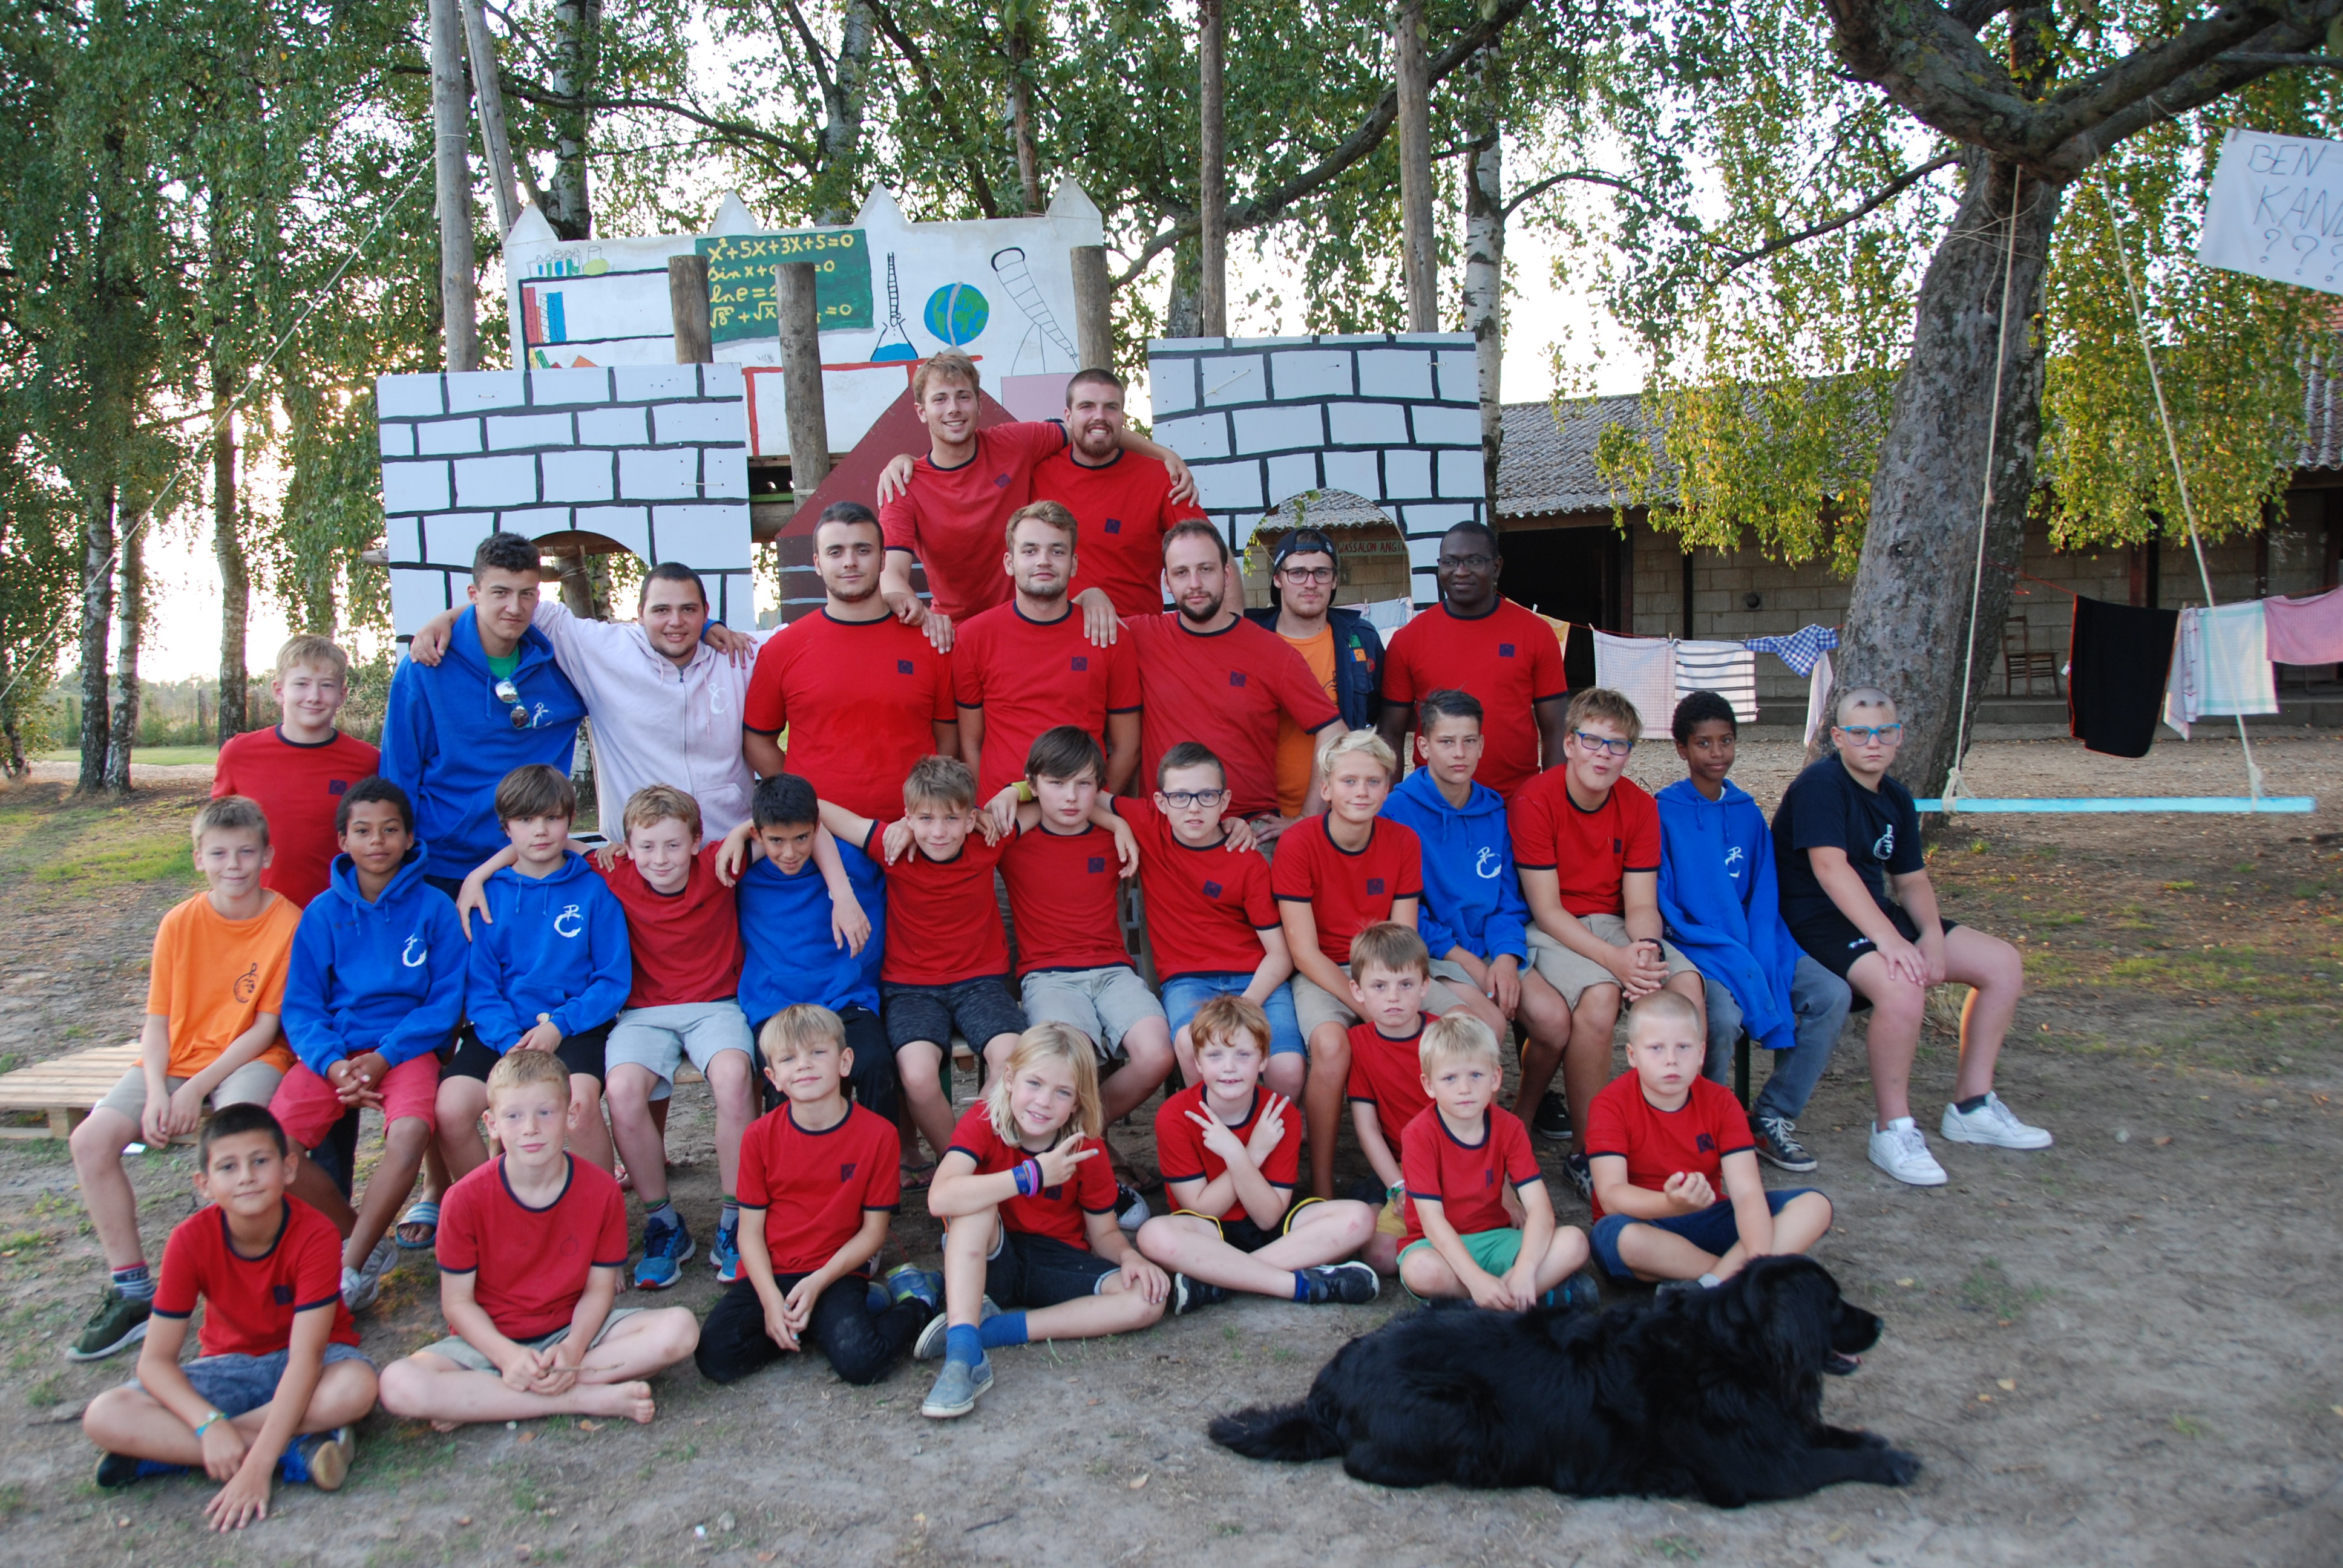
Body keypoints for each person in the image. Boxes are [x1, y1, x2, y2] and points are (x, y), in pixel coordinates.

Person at [1774, 688, 2051, 1186]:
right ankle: (1892, 1129)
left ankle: (1971, 1104)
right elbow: (1830, 870)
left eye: (1884, 731)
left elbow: (1911, 880)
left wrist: (1930, 937)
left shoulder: (1897, 798)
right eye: (1859, 733)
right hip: (1813, 919)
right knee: (1901, 987)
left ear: (1899, 736)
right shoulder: (1820, 785)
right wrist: (1892, 942)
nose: (1873, 742)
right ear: (1838, 737)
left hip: (1873, 913)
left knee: (2002, 963)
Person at [68, 797, 303, 1363]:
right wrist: (156, 1090)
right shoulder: (180, 921)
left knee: (240, 1143)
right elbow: (155, 1023)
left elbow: (265, 1027)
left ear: (267, 856)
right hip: (173, 1057)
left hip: (250, 1056)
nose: (234, 865)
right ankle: (133, 1290)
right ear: (199, 858)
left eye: (247, 852)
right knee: (90, 1141)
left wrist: (197, 1090)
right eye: (219, 854)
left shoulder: (287, 920)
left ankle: (238, 1284)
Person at [82, 1105, 379, 1527]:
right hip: (229, 1365)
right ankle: (294, 1454)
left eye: (261, 1161)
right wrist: (207, 1425)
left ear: (289, 1168)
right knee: (105, 1414)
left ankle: (171, 1453)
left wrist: (229, 1439)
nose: (246, 1177)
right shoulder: (189, 1240)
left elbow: (306, 1359)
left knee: (357, 1387)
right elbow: (155, 1362)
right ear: (204, 1184)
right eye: (228, 1166)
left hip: (316, 1363)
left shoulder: (316, 1233)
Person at [378, 1051, 700, 1429]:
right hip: (490, 1341)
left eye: (545, 1113)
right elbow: (457, 1304)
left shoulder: (601, 1190)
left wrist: (574, 1345)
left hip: (575, 1332)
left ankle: (485, 1398)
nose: (530, 1127)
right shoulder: (463, 1199)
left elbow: (600, 1289)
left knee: (680, 1329)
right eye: (513, 1116)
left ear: (571, 1115)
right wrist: (507, 1357)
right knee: (399, 1383)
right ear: (492, 1124)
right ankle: (582, 1397)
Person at [274, 777, 464, 1313]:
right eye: (363, 831)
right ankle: (364, 1239)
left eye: (390, 830)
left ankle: (349, 1269)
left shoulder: (433, 908)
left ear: (408, 839)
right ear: (343, 841)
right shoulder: (320, 914)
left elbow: (445, 1003)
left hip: (406, 1051)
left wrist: (384, 1058)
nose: (377, 842)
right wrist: (334, 1064)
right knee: (273, 1146)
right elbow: (303, 1007)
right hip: (335, 1056)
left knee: (409, 1133)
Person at [914, 1024, 1169, 1420]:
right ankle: (963, 1358)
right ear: (1011, 1080)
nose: (1044, 1102)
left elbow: (1102, 1232)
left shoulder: (1086, 1145)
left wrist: (1128, 1258)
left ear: (1077, 1102)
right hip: (994, 1257)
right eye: (1034, 1083)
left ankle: (991, 1330)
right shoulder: (985, 1120)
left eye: (1062, 1092)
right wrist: (1029, 1176)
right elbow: (940, 1197)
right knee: (975, 1201)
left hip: (1057, 1260)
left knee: (1147, 1301)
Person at [1511, 688, 1706, 1203]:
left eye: (1616, 745)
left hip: (1617, 922)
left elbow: (1640, 902)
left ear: (1629, 753)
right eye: (1592, 740)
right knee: (1598, 999)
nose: (1603, 754)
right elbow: (1547, 910)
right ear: (1570, 744)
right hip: (1555, 926)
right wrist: (1616, 965)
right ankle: (1590, 1151)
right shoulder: (1536, 799)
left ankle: (1675, 1135)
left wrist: (1642, 951)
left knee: (1685, 986)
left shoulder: (1640, 806)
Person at [408, 560, 763, 840]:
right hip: (637, 854)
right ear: (640, 613)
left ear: (705, 610)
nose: (675, 622)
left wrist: (707, 627)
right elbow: (522, 608)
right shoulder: (603, 650)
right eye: (661, 610)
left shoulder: (736, 653)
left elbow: (803, 633)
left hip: (728, 844)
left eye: (688, 610)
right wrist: (446, 619)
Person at [1657, 691, 1852, 1173]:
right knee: (1719, 1016)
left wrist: (1759, 946)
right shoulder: (1662, 811)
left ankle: (1772, 1116)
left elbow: (1765, 889)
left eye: (1726, 741)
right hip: (1698, 946)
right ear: (1682, 749)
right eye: (1704, 743)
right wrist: (1720, 945)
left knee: (1831, 994)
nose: (1717, 753)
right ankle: (1704, 1122)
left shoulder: (1746, 809)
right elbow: (1663, 900)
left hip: (1759, 938)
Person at [694, 1006, 940, 1388]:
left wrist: (819, 1282)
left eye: (817, 1053)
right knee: (716, 1355)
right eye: (789, 1058)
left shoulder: (877, 1135)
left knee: (861, 1362)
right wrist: (773, 1303)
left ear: (845, 1062)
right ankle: (816, 1324)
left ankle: (917, 1303)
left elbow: (874, 1232)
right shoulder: (759, 1137)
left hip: (837, 1270)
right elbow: (749, 1233)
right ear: (773, 1078)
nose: (804, 1066)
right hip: (772, 1272)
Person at [873, 352, 1193, 641]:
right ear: (921, 411)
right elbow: (892, 572)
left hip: (1028, 625)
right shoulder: (904, 484)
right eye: (940, 399)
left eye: (963, 397)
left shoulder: (1014, 444)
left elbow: (1089, 426)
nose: (954, 409)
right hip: (955, 632)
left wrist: (1164, 454)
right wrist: (907, 602)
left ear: (979, 404)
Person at [1271, 730, 1467, 1198]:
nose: (1361, 792)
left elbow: (1403, 938)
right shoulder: (1299, 844)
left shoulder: (1402, 841)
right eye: (1349, 781)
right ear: (1326, 788)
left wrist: (1390, 991)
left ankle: (1451, 1163)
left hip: (1389, 965)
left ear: (1388, 787)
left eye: (1374, 781)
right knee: (1333, 1046)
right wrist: (1363, 1006)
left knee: (1462, 1028)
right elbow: (1304, 952)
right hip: (1325, 972)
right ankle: (1321, 1183)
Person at [1379, 688, 1574, 1135]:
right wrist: (1466, 959)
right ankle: (1461, 1136)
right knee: (1487, 1028)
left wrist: (1506, 956)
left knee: (1554, 1022)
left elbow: (1510, 898)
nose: (1459, 753)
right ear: (1423, 747)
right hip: (1438, 951)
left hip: (1491, 944)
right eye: (1446, 742)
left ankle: (1519, 1118)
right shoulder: (1397, 810)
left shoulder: (1494, 809)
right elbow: (1405, 910)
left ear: (1483, 745)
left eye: (1469, 741)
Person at [817, 755, 1023, 1175]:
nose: (939, 831)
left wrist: (1011, 792)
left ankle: (974, 1158)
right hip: (911, 988)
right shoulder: (890, 845)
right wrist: (898, 826)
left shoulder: (989, 838)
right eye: (926, 819)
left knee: (1014, 1062)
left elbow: (1054, 790)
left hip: (980, 982)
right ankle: (962, 1168)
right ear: (909, 817)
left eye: (951, 819)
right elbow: (812, 805)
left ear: (971, 819)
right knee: (917, 1076)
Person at [442, 765, 630, 1180]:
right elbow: (482, 986)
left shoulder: (597, 888)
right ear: (506, 829)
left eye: (552, 818)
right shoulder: (489, 894)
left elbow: (612, 980)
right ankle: (489, 1209)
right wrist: (510, 1040)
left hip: (575, 1029)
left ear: (570, 820)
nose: (540, 831)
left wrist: (560, 1026)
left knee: (578, 1107)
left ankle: (600, 1218)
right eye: (526, 820)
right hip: (502, 1034)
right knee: (450, 1110)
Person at [1133, 995, 1379, 1311]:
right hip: (1209, 1233)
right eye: (1215, 1055)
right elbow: (1204, 1209)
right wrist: (1249, 1152)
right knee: (1154, 1235)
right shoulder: (1175, 1114)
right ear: (1197, 1062)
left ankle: (1217, 1281)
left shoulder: (1280, 1114)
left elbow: (1268, 1217)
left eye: (1244, 1055)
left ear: (1264, 1060)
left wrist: (1237, 1154)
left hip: (1275, 1233)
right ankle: (1296, 1285)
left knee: (1359, 1219)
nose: (1229, 1068)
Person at [1585, 991, 1834, 1294]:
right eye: (1656, 1048)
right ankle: (1744, 1282)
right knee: (1615, 1238)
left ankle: (1717, 1284)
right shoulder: (1611, 1104)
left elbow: (1746, 1193)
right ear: (1632, 1055)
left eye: (1684, 1047)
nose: (1671, 1060)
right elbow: (1611, 1196)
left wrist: (1755, 1253)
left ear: (1702, 1052)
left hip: (1709, 1217)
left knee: (1814, 1205)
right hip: (1648, 1222)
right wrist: (1670, 1204)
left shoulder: (1721, 1102)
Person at [379, 532, 586, 890]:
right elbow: (399, 772)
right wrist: (398, 863)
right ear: (473, 595)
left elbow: (640, 648)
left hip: (533, 862)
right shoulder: (425, 669)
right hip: (445, 865)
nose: (515, 607)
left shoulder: (564, 666)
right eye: (500, 593)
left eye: (526, 594)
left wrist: (705, 629)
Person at [1123, 520, 1344, 843]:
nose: (1195, 583)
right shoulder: (1143, 636)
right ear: (1166, 581)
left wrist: (1308, 817)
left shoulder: (1271, 652)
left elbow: (1334, 730)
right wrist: (1092, 596)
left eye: (1206, 569)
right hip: (1167, 832)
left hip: (1249, 835)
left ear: (1227, 574)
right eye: (1181, 572)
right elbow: (1074, 624)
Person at [743, 501, 958, 822]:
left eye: (862, 550)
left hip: (912, 830)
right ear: (817, 563)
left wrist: (927, 808)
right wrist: (802, 798)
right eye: (835, 552)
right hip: (820, 835)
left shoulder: (929, 641)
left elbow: (948, 740)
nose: (850, 563)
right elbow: (758, 741)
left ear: (883, 559)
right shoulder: (782, 649)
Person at [1112, 742, 1302, 1099]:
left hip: (1255, 978)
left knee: (1288, 1069)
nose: (1194, 808)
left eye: (1207, 796)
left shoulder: (1245, 859)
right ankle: (1212, 1134)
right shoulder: (1151, 827)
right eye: (1181, 797)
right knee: (1190, 1044)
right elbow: (1085, 796)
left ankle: (1275, 1137)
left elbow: (1279, 954)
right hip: (1190, 981)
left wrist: (1247, 1003)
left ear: (1225, 801)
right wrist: (1116, 824)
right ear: (1161, 802)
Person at [720, 773, 896, 1125]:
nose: (790, 852)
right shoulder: (741, 871)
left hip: (844, 999)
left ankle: (882, 1166)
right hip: (777, 1006)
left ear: (817, 829)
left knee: (877, 1065)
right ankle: (795, 1173)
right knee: (783, 1083)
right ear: (758, 835)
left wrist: (843, 893)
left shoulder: (852, 862)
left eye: (802, 838)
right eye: (777, 841)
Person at [1395, 1014, 1593, 1308]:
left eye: (1476, 1075)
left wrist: (1525, 1269)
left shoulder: (1510, 1127)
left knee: (1575, 1242)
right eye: (1450, 1078)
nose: (1464, 1089)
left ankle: (1493, 1301)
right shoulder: (1418, 1134)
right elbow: (1432, 1221)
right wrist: (1475, 1278)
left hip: (1498, 1238)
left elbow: (1540, 1208)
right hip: (1438, 1245)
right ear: (1429, 1085)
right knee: (1419, 1270)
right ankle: (1523, 1297)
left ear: (1496, 1078)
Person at [954, 500, 1142, 806]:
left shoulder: (1109, 636)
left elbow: (1127, 747)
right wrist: (986, 808)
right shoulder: (974, 636)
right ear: (1009, 562)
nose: (1044, 561)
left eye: (1057, 551)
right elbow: (971, 744)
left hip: (1080, 819)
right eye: (1030, 551)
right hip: (1002, 820)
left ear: (1074, 563)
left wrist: (1089, 805)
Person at [1375, 521, 1568, 803]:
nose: (1461, 571)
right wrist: (1386, 808)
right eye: (1450, 562)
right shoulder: (1408, 640)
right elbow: (1390, 734)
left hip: (1515, 802)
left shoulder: (1536, 633)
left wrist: (1554, 803)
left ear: (1497, 567)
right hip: (1433, 804)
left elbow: (1556, 730)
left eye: (1474, 561)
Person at [211, 636, 380, 907]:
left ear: (342, 695)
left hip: (339, 914)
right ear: (279, 690)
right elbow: (218, 835)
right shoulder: (239, 754)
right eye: (301, 684)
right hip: (259, 913)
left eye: (326, 686)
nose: (314, 696)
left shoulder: (367, 761)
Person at [1043, 367, 1210, 618]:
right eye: (1087, 406)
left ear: (1122, 415)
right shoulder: (1036, 468)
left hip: (1137, 639)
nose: (1099, 416)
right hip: (1055, 639)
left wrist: (1227, 636)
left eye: (1111, 407)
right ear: (1068, 416)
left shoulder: (1161, 478)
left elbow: (1211, 554)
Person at [1244, 528, 1386, 820]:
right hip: (1259, 816)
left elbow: (1383, 721)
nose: (1310, 583)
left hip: (1341, 816)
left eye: (1321, 573)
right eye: (1297, 573)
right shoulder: (1248, 641)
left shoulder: (1361, 639)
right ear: (1277, 579)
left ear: (1334, 580)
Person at [1340, 923, 1449, 1272]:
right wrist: (1399, 1187)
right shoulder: (1358, 1044)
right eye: (1379, 986)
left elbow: (1480, 1114)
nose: (1393, 997)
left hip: (1453, 1160)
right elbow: (1368, 1129)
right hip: (1400, 1168)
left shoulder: (1443, 1036)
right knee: (1380, 1258)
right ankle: (1383, 1203)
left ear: (1425, 987)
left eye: (1406, 985)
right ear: (1358, 991)